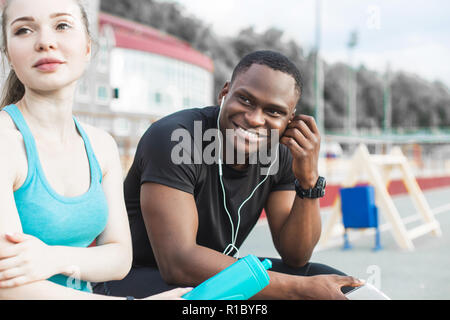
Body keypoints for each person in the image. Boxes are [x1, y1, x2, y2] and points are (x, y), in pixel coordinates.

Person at [96, 50, 363, 300]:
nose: (255, 118)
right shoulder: (177, 138)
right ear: (225, 93)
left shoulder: (280, 153)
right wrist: (299, 289)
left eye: (274, 111)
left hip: (205, 279)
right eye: (246, 100)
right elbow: (178, 262)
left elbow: (297, 256)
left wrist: (308, 182)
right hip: (132, 278)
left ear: (289, 120)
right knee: (294, 290)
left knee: (332, 282)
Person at [0, 0, 190, 300]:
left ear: (87, 48)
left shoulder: (101, 146)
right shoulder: (4, 142)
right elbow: (9, 285)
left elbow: (119, 258)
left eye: (62, 25)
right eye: (24, 30)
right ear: (9, 55)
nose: (45, 42)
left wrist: (52, 258)